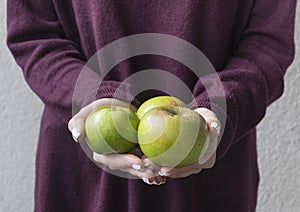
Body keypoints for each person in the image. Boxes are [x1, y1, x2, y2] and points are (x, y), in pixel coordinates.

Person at [7, 0, 296, 211]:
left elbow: (267, 43)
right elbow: (34, 34)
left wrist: (220, 107)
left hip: (210, 177)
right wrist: (91, 97)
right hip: (82, 178)